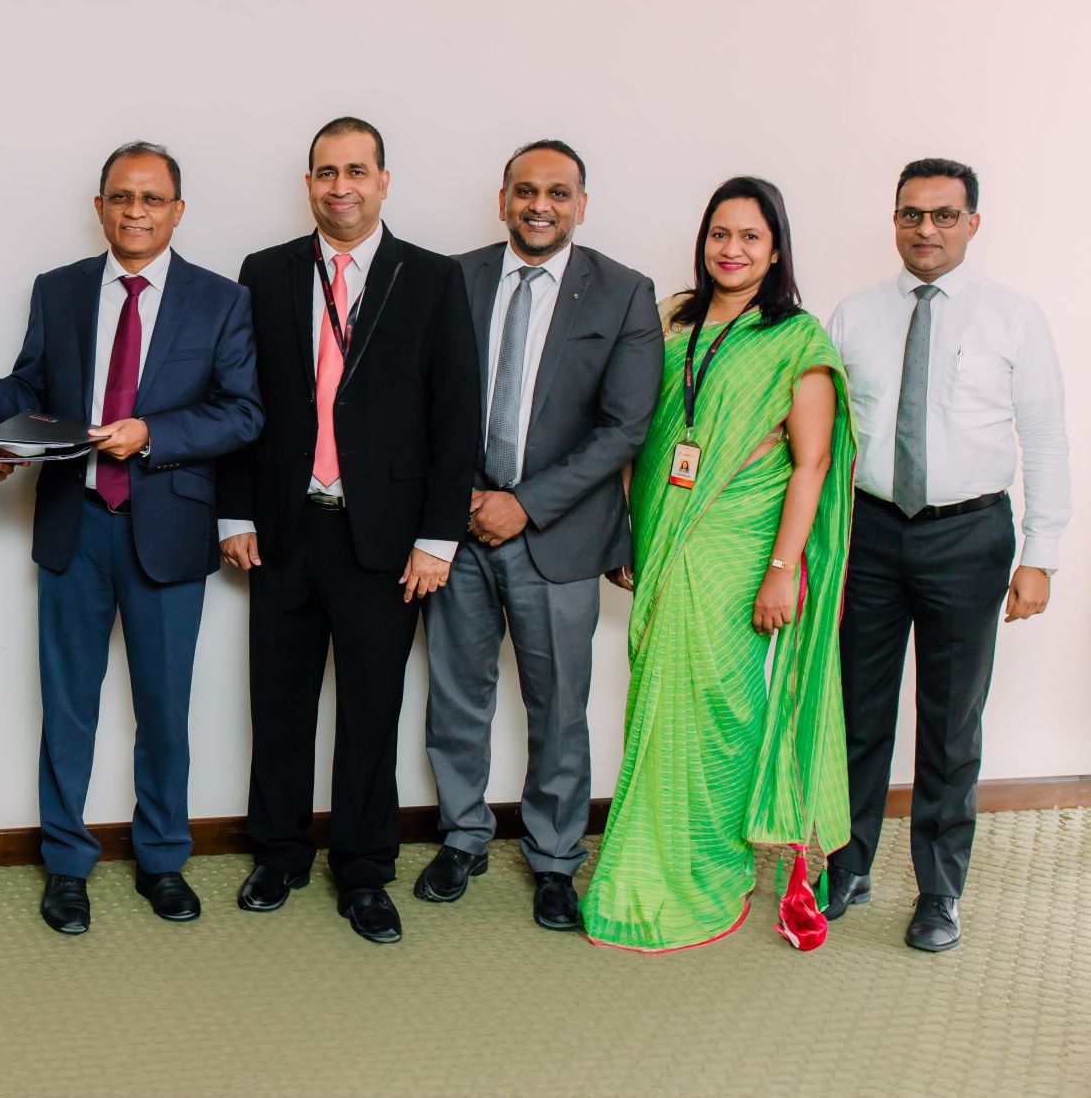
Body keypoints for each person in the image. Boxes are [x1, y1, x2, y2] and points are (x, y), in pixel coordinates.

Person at [0, 141, 262, 934]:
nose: (136, 211)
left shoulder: (220, 300)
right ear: (99, 206)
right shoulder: (58, 289)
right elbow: (32, 386)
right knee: (68, 707)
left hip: (169, 531)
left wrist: (153, 433)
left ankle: (163, 857)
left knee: (164, 710)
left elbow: (243, 411)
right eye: (121, 197)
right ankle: (67, 864)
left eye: (152, 198)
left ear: (178, 210)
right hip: (77, 523)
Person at [216, 116, 479, 944]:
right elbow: (237, 399)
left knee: (372, 709)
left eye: (357, 171)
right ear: (308, 184)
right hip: (284, 525)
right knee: (278, 701)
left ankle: (364, 870)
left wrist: (438, 538)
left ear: (383, 181)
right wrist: (235, 509)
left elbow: (456, 414)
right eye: (327, 172)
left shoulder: (432, 277)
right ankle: (278, 852)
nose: (341, 187)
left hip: (387, 538)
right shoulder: (264, 272)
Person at [581, 176, 854, 953]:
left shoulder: (796, 339)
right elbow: (633, 429)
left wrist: (783, 568)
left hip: (738, 547)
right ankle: (646, 855)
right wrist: (627, 531)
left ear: (776, 249)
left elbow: (811, 464)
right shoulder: (671, 318)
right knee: (657, 696)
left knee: (725, 704)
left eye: (750, 237)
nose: (731, 249)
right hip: (663, 531)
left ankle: (712, 861)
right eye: (719, 234)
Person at [825, 158, 1070, 952]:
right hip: (869, 531)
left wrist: (1040, 554)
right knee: (857, 710)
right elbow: (825, 435)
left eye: (942, 214)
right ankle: (848, 864)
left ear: (972, 222)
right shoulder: (854, 314)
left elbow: (1046, 436)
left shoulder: (1013, 316)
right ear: (894, 220)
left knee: (950, 721)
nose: (925, 228)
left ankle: (939, 888)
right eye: (911, 213)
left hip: (969, 536)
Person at [418, 140, 662, 931]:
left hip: (559, 537)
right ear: (502, 200)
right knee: (457, 694)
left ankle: (555, 857)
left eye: (558, 192)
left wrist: (523, 504)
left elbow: (625, 426)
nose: (539, 205)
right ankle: (463, 835)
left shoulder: (623, 292)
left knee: (558, 706)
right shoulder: (451, 278)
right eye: (525, 190)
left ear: (580, 204)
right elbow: (419, 400)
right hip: (458, 530)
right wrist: (461, 498)